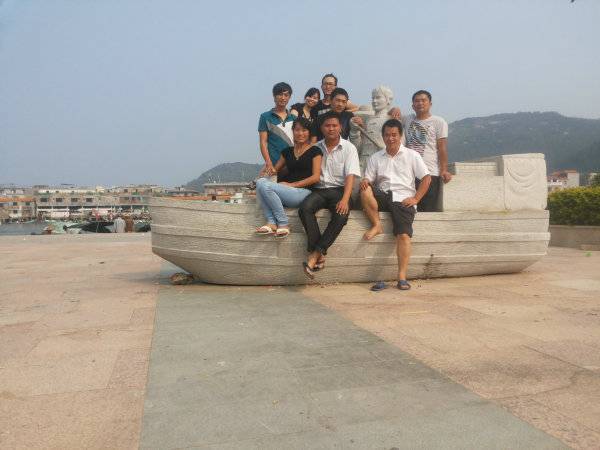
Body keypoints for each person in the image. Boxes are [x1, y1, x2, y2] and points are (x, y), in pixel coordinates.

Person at [360, 119, 431, 291]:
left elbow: (426, 178)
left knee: (404, 235)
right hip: (383, 195)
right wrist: (365, 180)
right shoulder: (376, 157)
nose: (390, 138)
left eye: (394, 135)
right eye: (387, 135)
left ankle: (402, 277)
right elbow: (368, 178)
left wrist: (416, 199)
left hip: (403, 198)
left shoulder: (411, 155)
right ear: (383, 136)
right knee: (364, 189)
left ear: (400, 136)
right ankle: (377, 225)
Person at [298, 111, 361, 278]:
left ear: (340, 127)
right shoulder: (316, 148)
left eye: (334, 125)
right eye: (327, 125)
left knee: (341, 215)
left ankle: (314, 254)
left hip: (340, 190)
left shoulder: (349, 148)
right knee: (305, 208)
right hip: (319, 190)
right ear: (322, 128)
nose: (331, 129)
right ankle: (319, 254)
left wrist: (345, 200)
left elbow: (350, 176)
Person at [255, 118, 323, 238]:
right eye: (297, 130)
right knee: (260, 182)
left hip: (304, 192)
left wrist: (292, 185)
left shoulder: (315, 151)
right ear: (293, 131)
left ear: (309, 133)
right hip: (287, 191)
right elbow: (275, 170)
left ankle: (283, 223)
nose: (300, 133)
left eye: (304, 130)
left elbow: (315, 177)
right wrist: (267, 170)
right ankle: (271, 222)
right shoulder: (287, 152)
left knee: (265, 186)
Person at [400, 90, 451, 212]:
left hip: (430, 173)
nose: (420, 103)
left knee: (428, 211)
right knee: (408, 209)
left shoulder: (439, 122)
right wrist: (394, 109)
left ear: (430, 103)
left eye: (423, 100)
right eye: (417, 101)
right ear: (413, 105)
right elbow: (392, 116)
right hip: (409, 174)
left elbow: (442, 148)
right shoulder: (407, 119)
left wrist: (444, 170)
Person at [258, 82, 296, 176]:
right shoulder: (265, 117)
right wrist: (268, 163)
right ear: (274, 96)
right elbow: (263, 142)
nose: (283, 98)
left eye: (286, 95)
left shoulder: (294, 119)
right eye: (280, 94)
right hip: (274, 166)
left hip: (292, 165)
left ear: (289, 97)